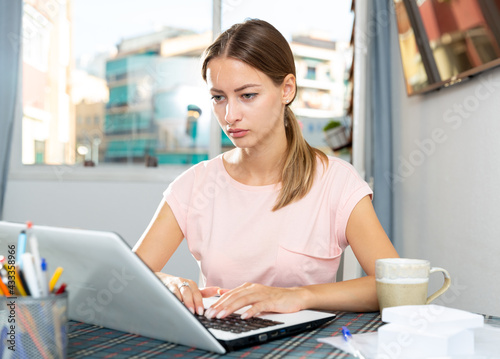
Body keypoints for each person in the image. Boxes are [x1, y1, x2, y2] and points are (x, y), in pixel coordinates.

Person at [133, 19, 398, 320]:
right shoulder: (196, 184)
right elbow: (129, 276)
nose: (230, 115)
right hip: (224, 343)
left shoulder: (336, 182)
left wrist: (297, 297)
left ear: (287, 89)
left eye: (247, 95)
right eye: (218, 97)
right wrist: (167, 283)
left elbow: (395, 285)